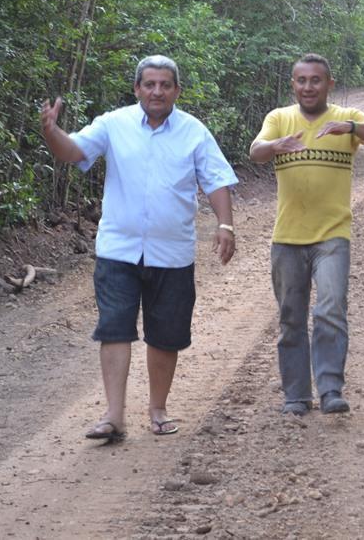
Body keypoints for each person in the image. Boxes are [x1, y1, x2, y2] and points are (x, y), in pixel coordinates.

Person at [40, 55, 237, 442]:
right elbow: (73, 152)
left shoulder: (194, 132)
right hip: (118, 249)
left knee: (166, 333)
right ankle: (114, 416)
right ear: (137, 89)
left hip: (173, 252)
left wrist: (225, 224)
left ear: (177, 90)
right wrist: (51, 131)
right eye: (150, 84)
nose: (157, 91)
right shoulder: (114, 124)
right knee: (114, 327)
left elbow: (215, 180)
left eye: (165, 85)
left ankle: (158, 409)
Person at [250, 53, 364, 416]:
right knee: (291, 317)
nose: (308, 86)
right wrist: (275, 146)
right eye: (301, 80)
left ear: (329, 84)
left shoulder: (347, 119)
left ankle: (330, 389)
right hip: (287, 237)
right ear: (293, 84)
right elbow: (256, 152)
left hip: (333, 235)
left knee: (330, 310)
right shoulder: (279, 118)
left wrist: (353, 129)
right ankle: (296, 395)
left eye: (316, 80)